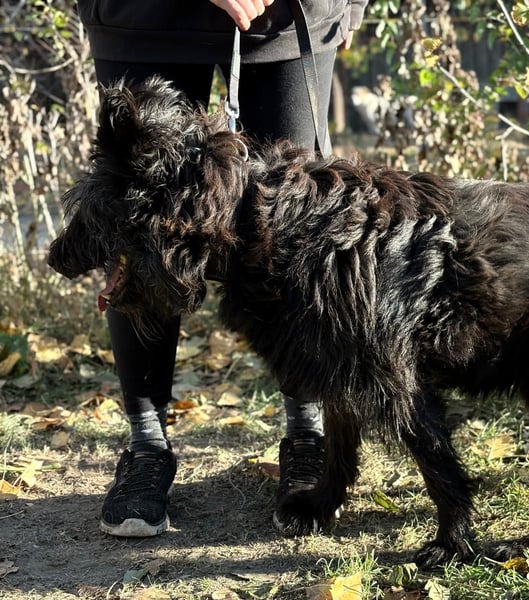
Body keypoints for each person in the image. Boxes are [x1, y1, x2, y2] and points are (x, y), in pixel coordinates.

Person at [74, 0, 368, 537]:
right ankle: (146, 446)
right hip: (142, 17)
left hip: (286, 18)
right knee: (139, 228)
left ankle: (307, 434)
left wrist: (349, 6)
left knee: (294, 229)